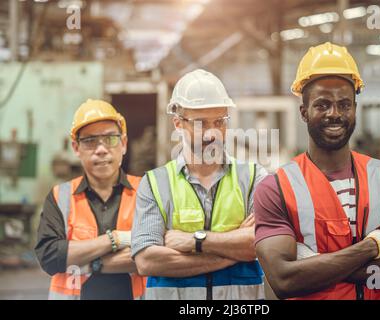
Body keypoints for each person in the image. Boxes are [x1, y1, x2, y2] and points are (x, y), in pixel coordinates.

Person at [254, 42, 380, 300]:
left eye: (344, 105)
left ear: (354, 109)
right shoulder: (276, 188)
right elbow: (284, 281)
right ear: (304, 112)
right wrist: (372, 246)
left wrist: (316, 265)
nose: (335, 114)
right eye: (322, 105)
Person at [132, 69, 267, 300]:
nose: (211, 132)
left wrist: (193, 241)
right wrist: (235, 250)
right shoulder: (155, 183)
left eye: (219, 121)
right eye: (200, 123)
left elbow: (261, 245)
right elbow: (146, 261)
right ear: (178, 123)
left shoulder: (254, 177)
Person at [35, 99, 146, 300]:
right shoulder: (60, 197)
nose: (101, 149)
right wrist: (116, 239)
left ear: (124, 144)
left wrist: (87, 260)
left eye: (110, 138)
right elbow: (50, 257)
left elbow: (153, 255)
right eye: (90, 141)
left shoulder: (147, 191)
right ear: (76, 148)